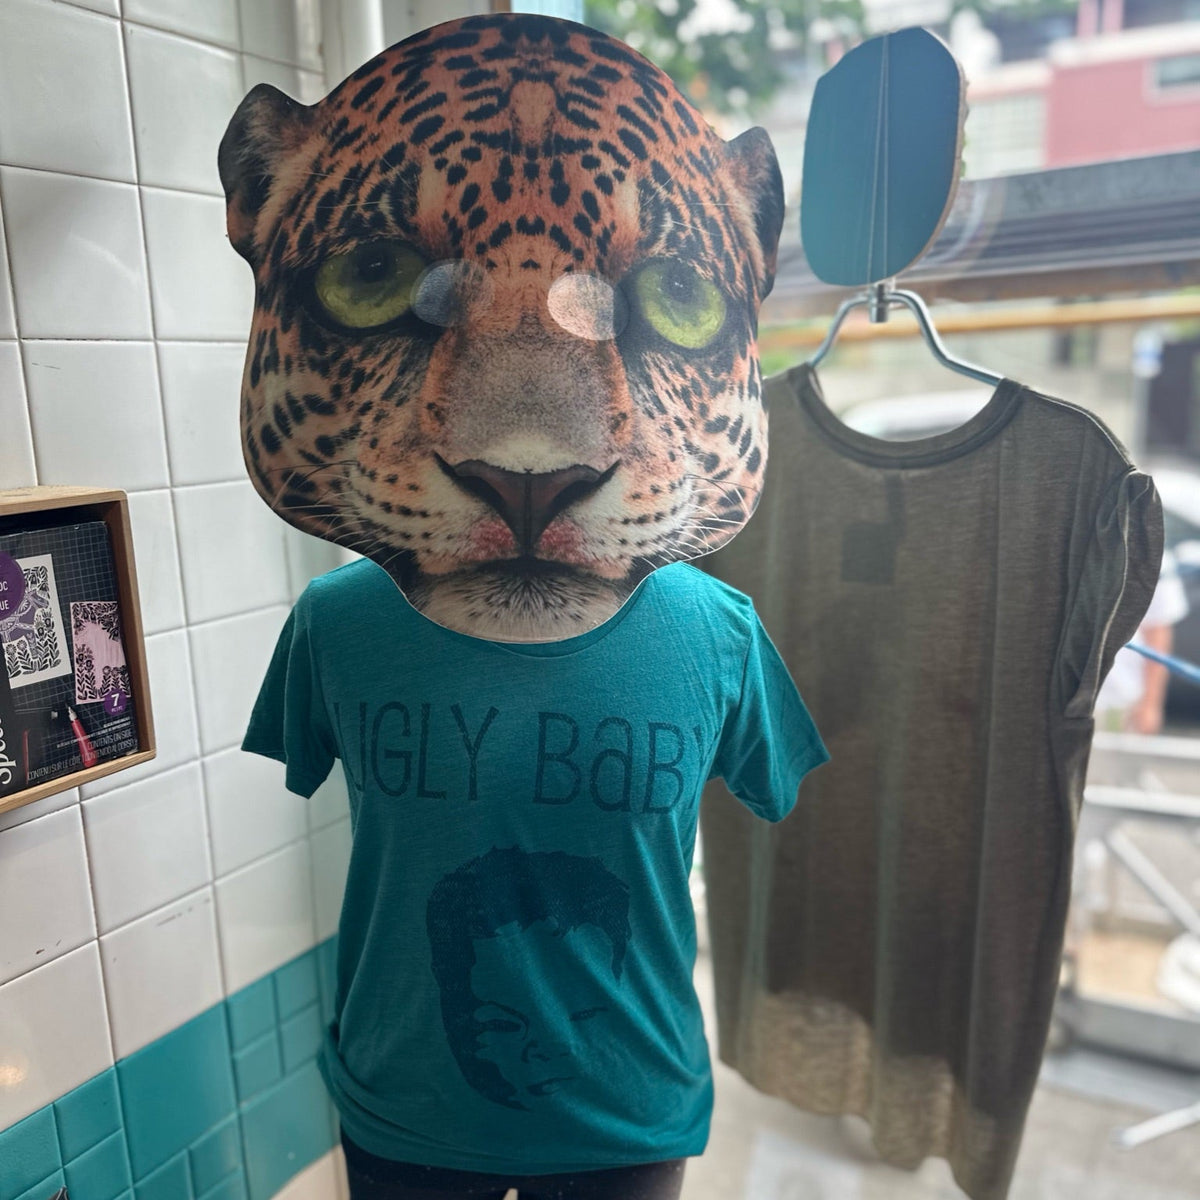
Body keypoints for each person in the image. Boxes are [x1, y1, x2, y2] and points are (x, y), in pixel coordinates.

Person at [242, 558, 828, 1200]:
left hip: (626, 1110)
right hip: (409, 1100)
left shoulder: (717, 629)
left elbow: (776, 783)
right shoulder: (337, 618)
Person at [1094, 549, 1189, 734]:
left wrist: (1151, 703)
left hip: (1119, 698)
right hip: (1059, 698)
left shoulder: (1151, 551)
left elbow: (1157, 632)